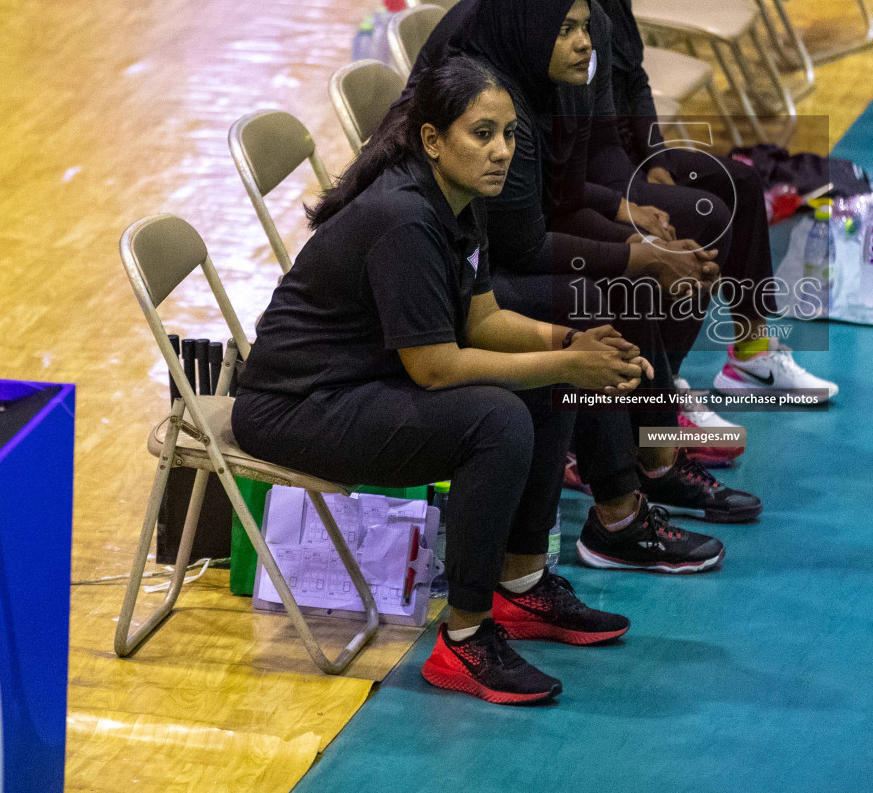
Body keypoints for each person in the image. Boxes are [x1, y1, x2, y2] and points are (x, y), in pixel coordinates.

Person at [231, 56, 643, 705]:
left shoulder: (459, 197)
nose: (502, 150)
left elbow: (483, 319)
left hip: (360, 383)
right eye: (483, 134)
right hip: (296, 407)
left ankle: (521, 585)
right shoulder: (404, 218)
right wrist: (567, 361)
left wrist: (566, 343)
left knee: (544, 383)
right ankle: (464, 637)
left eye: (509, 134)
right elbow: (437, 367)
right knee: (497, 419)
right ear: (432, 140)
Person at [414, 0, 760, 557]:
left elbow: (561, 198)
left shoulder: (542, 85)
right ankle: (619, 515)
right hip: (446, 282)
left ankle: (654, 464)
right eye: (568, 31)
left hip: (488, 259)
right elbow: (522, 244)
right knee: (596, 300)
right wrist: (639, 257)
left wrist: (634, 231)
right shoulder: (493, 106)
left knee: (619, 283)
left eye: (585, 28)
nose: (585, 42)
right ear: (529, 29)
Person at [522, 0, 841, 407]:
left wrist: (658, 157)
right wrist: (633, 196)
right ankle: (660, 385)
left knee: (739, 183)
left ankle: (751, 357)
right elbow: (573, 151)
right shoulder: (533, 2)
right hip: (583, 170)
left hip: (619, 153)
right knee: (702, 216)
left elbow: (635, 80)